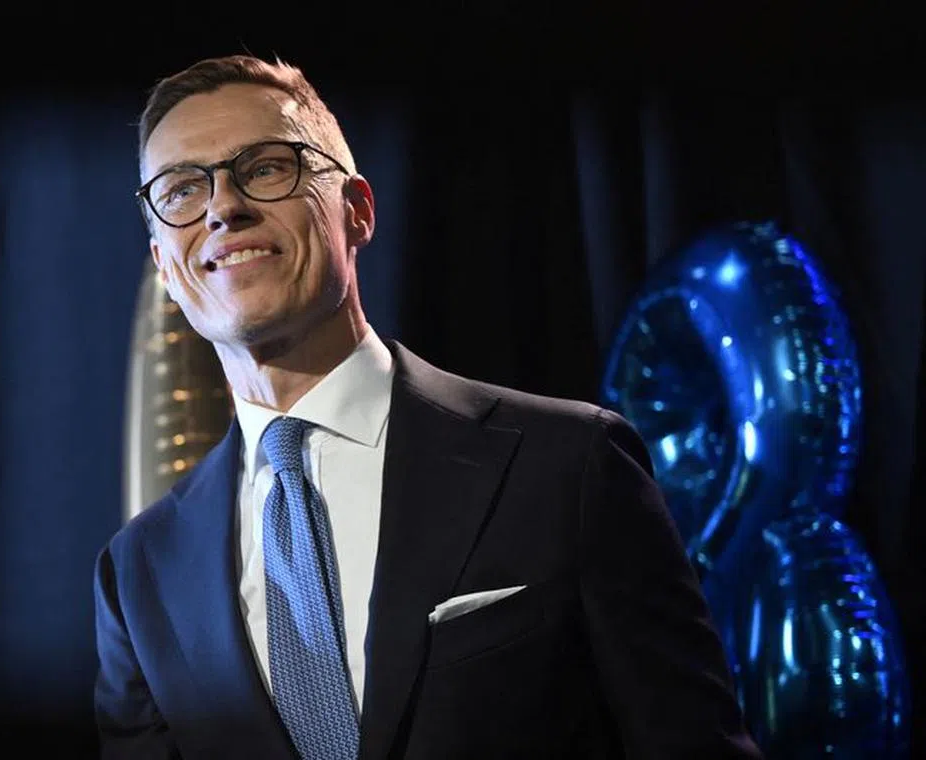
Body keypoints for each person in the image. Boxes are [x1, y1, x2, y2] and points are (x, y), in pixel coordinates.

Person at [92, 54, 762, 760]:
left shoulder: (569, 466)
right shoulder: (139, 577)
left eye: (264, 168)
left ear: (357, 211)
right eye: (182, 189)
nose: (223, 207)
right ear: (165, 264)